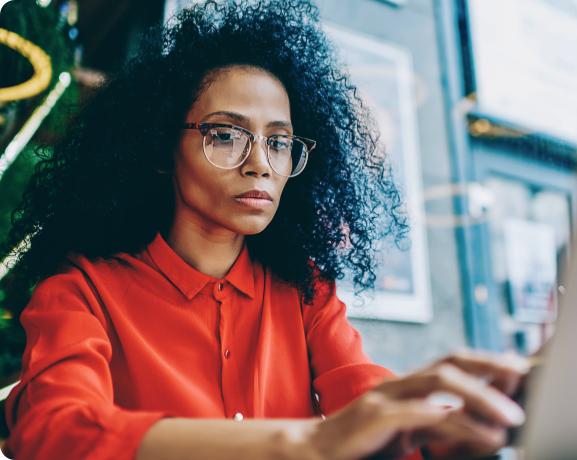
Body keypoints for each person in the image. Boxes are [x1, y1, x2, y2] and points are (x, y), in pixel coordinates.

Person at [1, 1, 527, 459]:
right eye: (227, 135)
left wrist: (450, 430)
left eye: (279, 142)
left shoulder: (305, 291)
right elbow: (53, 435)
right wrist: (309, 444)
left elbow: (365, 397)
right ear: (162, 149)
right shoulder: (80, 290)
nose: (261, 165)